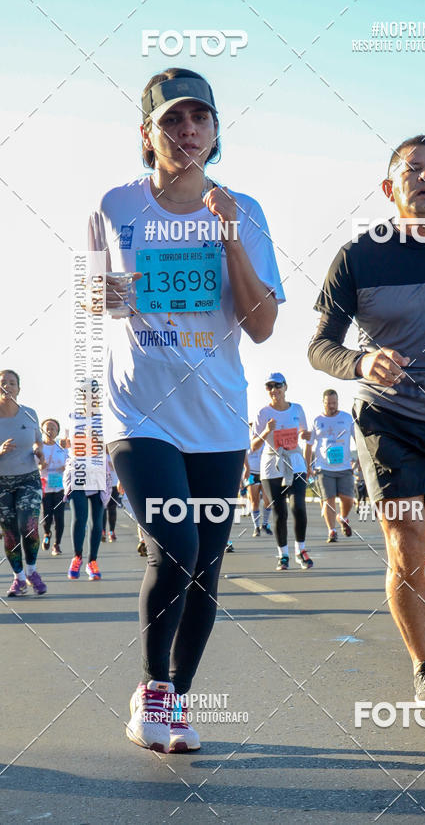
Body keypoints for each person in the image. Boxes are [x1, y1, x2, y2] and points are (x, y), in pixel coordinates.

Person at [89, 67, 283, 753]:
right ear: (148, 134)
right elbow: (96, 306)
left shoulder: (246, 211)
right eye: (173, 119)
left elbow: (261, 326)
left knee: (206, 564)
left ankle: (175, 702)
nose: (188, 129)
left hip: (219, 414)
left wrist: (227, 234)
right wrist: (112, 297)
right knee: (177, 545)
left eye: (200, 117)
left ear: (217, 129)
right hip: (139, 412)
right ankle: (150, 691)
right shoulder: (115, 207)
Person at [309, 135, 425, 705]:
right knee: (406, 543)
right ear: (389, 188)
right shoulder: (358, 255)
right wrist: (362, 360)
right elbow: (320, 347)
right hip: (387, 418)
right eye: (413, 170)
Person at [252, 373, 313, 571]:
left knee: (298, 507)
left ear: (285, 387)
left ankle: (300, 550)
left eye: (277, 385)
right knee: (280, 512)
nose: (274, 390)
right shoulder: (262, 413)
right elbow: (253, 446)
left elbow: (305, 435)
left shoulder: (297, 409)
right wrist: (267, 431)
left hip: (295, 463)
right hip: (272, 465)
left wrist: (305, 435)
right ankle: (283, 555)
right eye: (269, 386)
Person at [0, 369, 47, 596]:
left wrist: (40, 453)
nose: (7, 386)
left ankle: (32, 571)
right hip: (2, 482)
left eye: (11, 383)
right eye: (3, 383)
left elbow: (38, 441)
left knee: (28, 526)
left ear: (18, 388)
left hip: (28, 477)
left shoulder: (30, 414)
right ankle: (18, 579)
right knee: (9, 533)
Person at [305, 389, 354, 542]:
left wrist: (360, 459)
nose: (332, 406)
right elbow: (309, 445)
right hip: (323, 467)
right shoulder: (317, 420)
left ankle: (343, 517)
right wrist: (307, 466)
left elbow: (357, 438)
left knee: (348, 499)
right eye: (329, 403)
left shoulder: (346, 418)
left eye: (334, 403)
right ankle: (332, 531)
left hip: (345, 466)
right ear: (323, 403)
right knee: (328, 500)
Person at [63, 435, 111, 580]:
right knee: (79, 518)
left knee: (96, 522)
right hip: (77, 478)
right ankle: (77, 557)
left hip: (97, 479)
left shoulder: (100, 429)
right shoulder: (76, 426)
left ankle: (92, 562)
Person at [40, 418, 68, 555]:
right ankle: (46, 534)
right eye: (48, 428)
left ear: (57, 432)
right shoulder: (38, 447)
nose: (50, 430)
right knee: (47, 515)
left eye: (53, 428)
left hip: (59, 485)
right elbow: (33, 465)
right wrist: (40, 466)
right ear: (43, 430)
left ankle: (57, 544)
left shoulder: (61, 447)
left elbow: (69, 461)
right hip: (44, 485)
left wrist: (65, 467)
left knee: (59, 516)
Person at [244, 432, 272, 537]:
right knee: (254, 501)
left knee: (268, 500)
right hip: (252, 473)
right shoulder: (249, 441)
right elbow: (244, 455)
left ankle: (264, 524)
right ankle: (256, 527)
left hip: (266, 473)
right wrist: (246, 469)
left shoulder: (267, 440)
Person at [102, 450, 121, 543]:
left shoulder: (114, 451)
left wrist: (111, 464)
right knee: (103, 509)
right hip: (103, 485)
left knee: (112, 508)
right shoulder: (99, 454)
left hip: (113, 485)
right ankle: (103, 531)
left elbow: (120, 467)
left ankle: (111, 531)